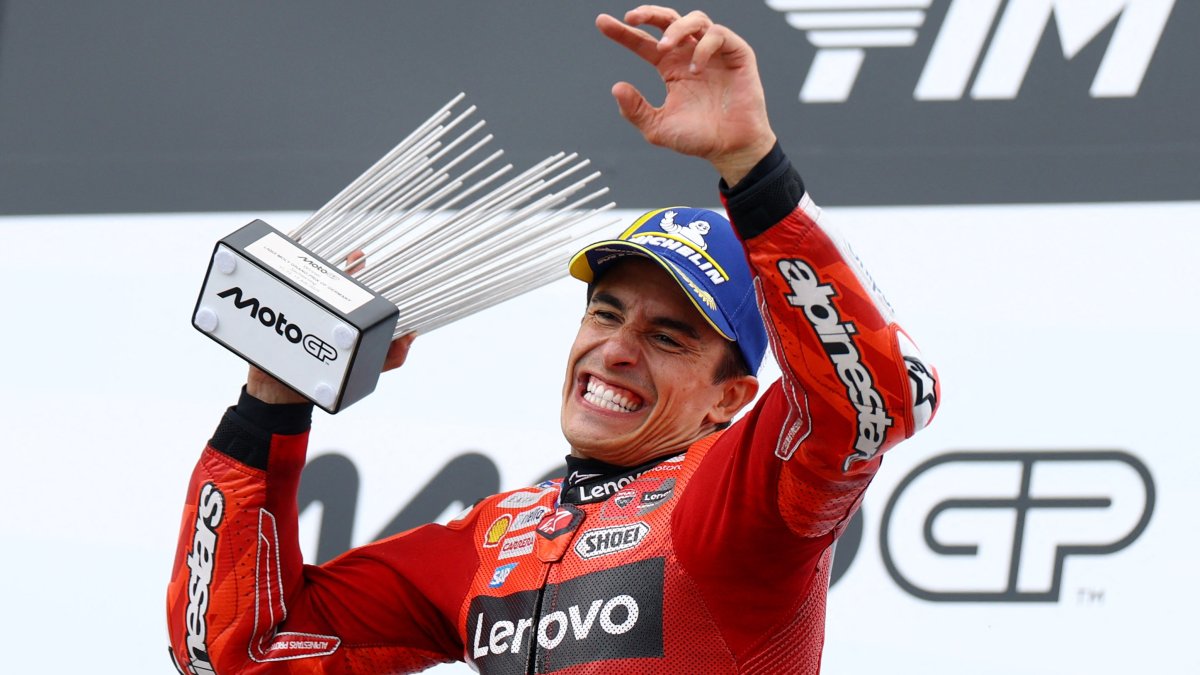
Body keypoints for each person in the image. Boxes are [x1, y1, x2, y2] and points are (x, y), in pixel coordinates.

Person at [167, 6, 939, 674]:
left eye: (668, 336)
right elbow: (241, 650)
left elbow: (873, 401)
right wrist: (273, 403)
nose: (617, 348)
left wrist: (753, 170)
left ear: (728, 398)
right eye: (605, 313)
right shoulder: (492, 539)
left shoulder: (738, 500)